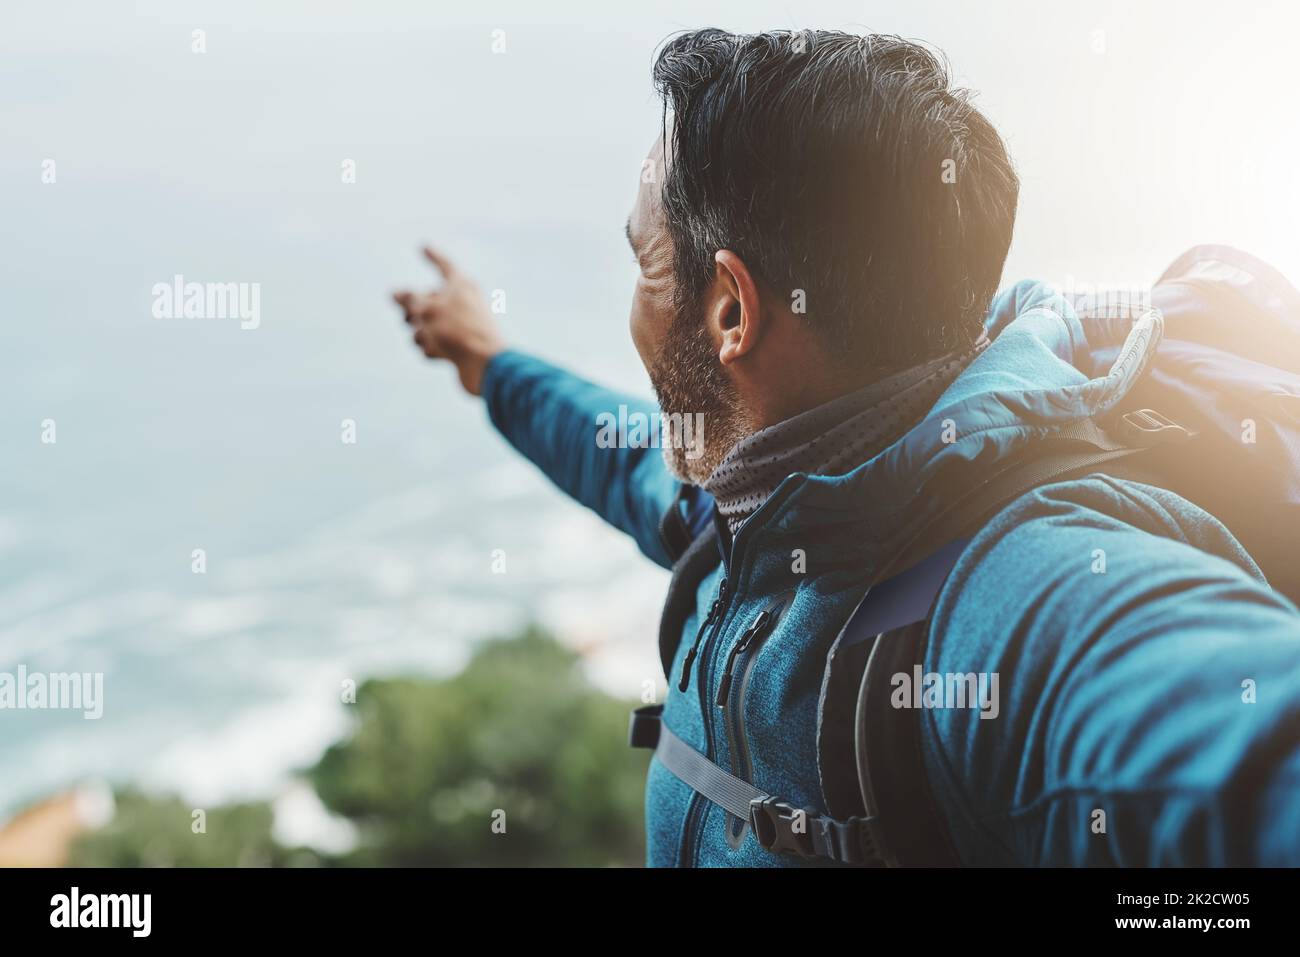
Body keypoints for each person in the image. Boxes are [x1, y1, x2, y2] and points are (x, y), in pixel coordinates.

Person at [392, 29, 1300, 866]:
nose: (634, 299)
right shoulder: (755, 500)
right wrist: (488, 360)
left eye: (647, 264)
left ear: (732, 312)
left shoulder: (1026, 598)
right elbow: (615, 452)